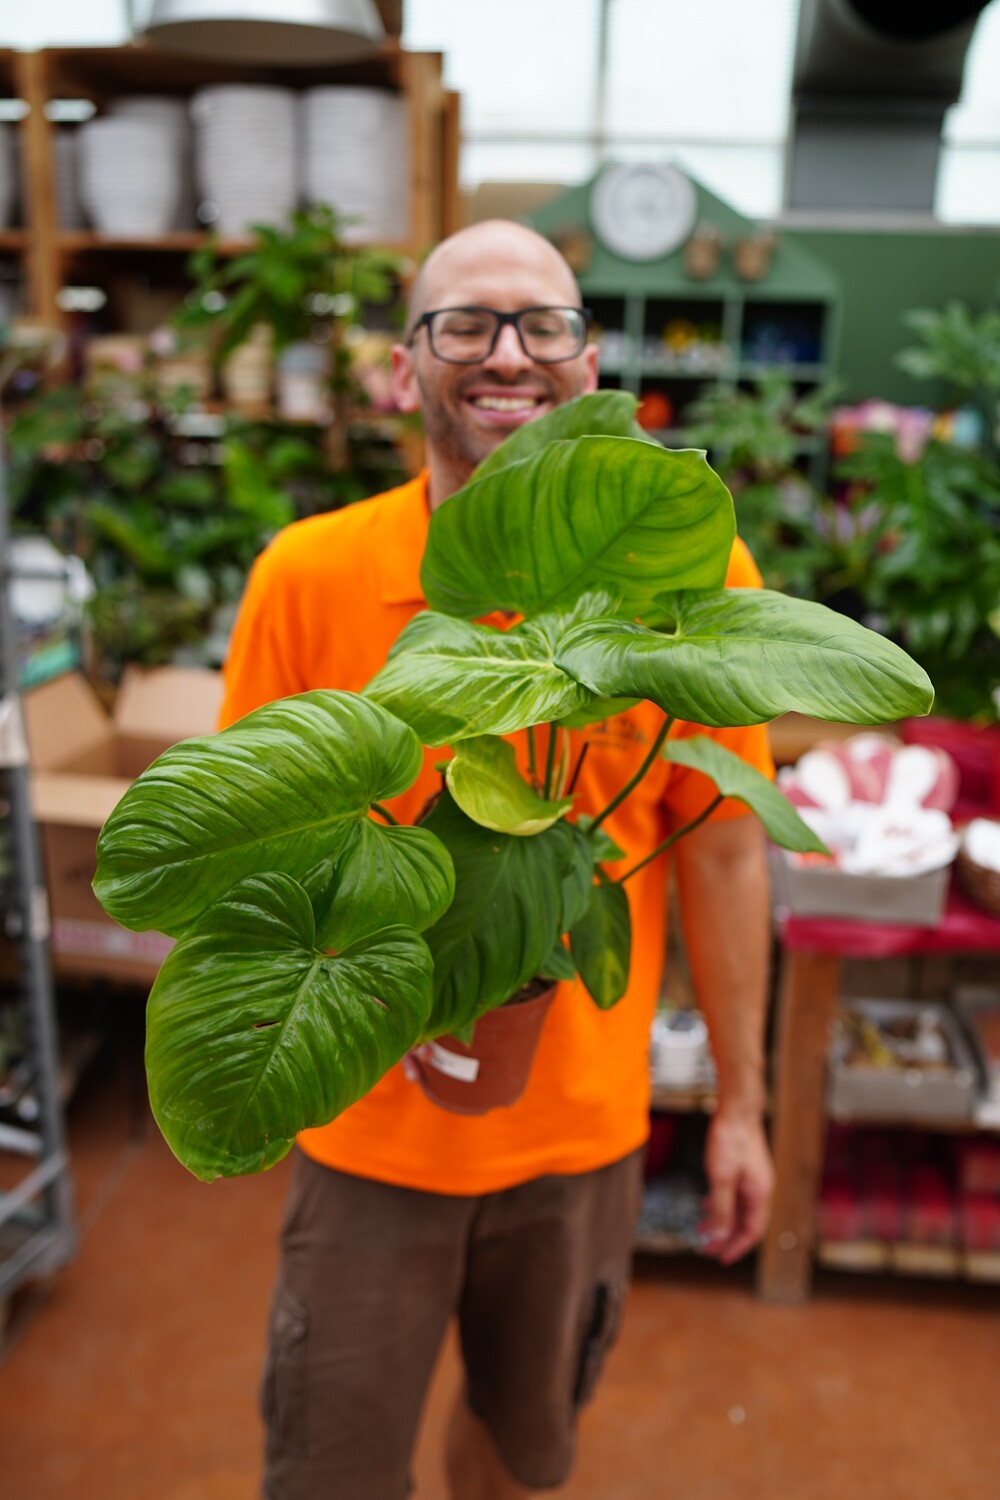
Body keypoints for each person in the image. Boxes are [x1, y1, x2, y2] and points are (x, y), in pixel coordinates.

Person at [219, 219, 775, 1500]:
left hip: (581, 1132)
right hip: (366, 1131)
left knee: (526, 1455)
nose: (507, 353)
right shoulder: (308, 576)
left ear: (589, 363)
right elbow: (249, 848)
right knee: (330, 1465)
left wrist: (739, 1108)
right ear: (402, 368)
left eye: (545, 323)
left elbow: (728, 854)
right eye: (464, 322)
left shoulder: (685, 576)